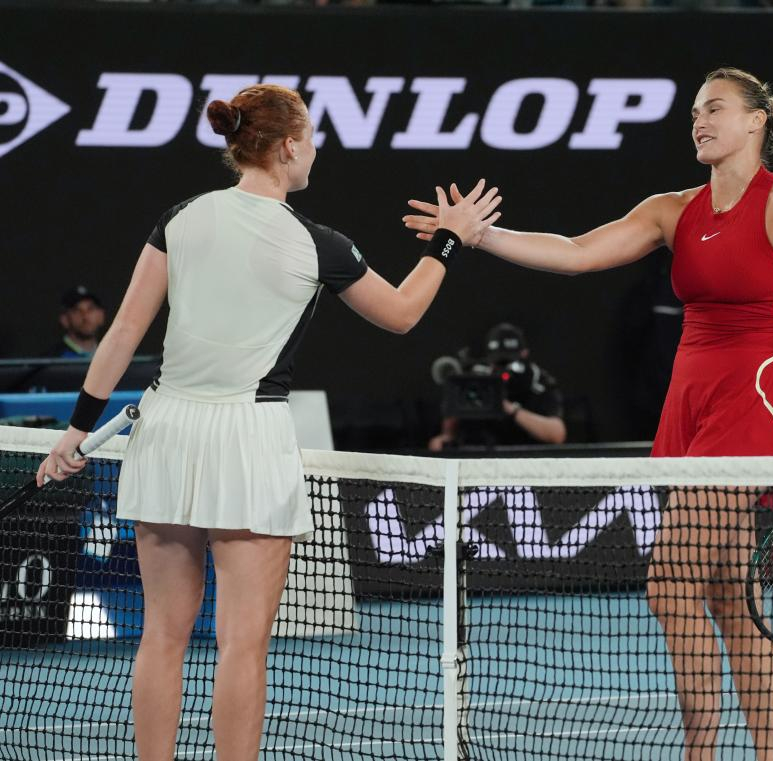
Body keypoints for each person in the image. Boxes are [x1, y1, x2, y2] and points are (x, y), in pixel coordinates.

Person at [405, 67, 773, 761]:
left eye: (714, 109)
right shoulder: (671, 210)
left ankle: (699, 755)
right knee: (732, 603)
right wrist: (478, 237)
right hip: (688, 410)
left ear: (755, 121)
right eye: (694, 112)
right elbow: (576, 254)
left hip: (750, 407)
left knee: (668, 581)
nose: (699, 121)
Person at [36, 84, 500, 761]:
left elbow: (124, 333)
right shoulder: (319, 244)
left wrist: (76, 431)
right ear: (286, 146)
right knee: (242, 643)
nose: (315, 151)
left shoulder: (180, 218)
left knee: (162, 633)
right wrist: (450, 242)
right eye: (310, 138)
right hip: (249, 442)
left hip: (165, 432)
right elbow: (403, 313)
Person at [428, 322, 566, 450]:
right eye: (498, 362)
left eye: (509, 361)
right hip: (480, 457)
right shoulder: (479, 378)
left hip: (526, 457)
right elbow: (443, 439)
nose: (504, 369)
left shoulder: (538, 382)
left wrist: (510, 409)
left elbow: (557, 434)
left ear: (524, 354)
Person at [45, 286, 107, 357]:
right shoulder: (53, 358)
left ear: (101, 316)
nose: (85, 316)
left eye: (90, 309)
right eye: (77, 310)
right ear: (64, 319)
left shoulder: (110, 354)